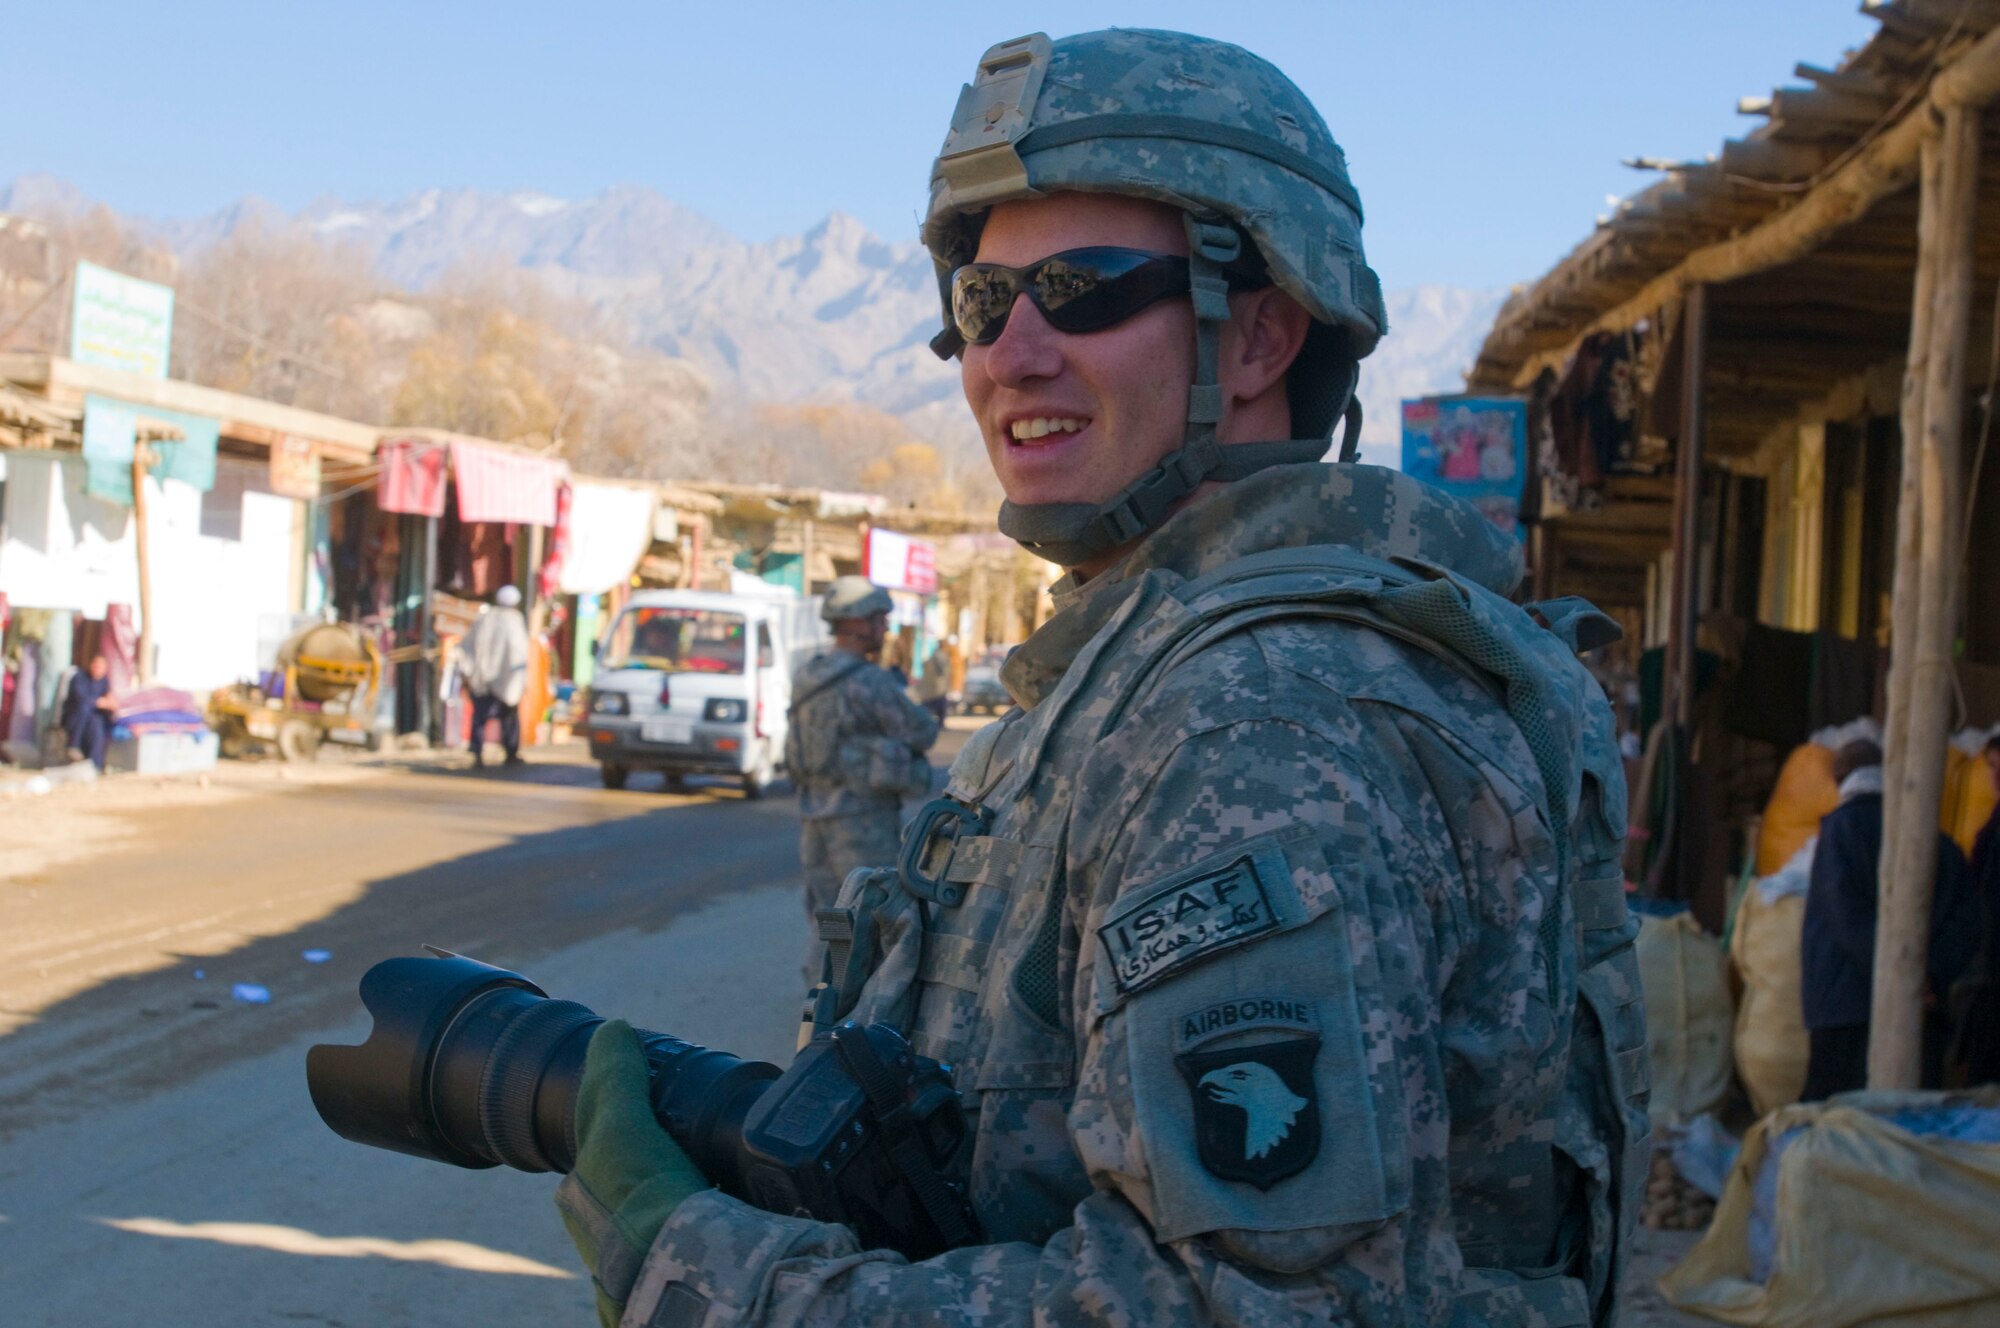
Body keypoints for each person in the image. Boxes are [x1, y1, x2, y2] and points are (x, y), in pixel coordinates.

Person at [554, 29, 1646, 1328]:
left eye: (1079, 289)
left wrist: (698, 1274)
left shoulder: (1260, 718)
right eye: (980, 304)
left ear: (1258, 337)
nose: (1009, 354)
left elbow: (1243, 1311)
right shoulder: (1139, 669)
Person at [1800, 739, 1978, 1100]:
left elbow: (1844, 916)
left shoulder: (1840, 831)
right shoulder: (1941, 843)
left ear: (1840, 780)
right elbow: (1970, 922)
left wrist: (1898, 975)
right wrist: (1929, 976)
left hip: (1845, 1007)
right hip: (1922, 1012)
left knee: (1838, 1119)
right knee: (1910, 1122)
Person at [782, 576, 940, 979]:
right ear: (855, 623)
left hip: (814, 817)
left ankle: (823, 994)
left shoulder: (808, 673)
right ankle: (862, 1007)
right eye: (878, 620)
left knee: (832, 913)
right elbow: (920, 730)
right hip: (862, 822)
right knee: (873, 913)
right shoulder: (868, 680)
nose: (884, 628)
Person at [459, 585, 530, 769]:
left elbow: (469, 645)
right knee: (508, 717)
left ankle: (477, 753)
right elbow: (519, 651)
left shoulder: (485, 618)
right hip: (506, 679)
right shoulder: (515, 620)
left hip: (483, 677)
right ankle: (511, 753)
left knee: (481, 716)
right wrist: (520, 679)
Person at [61, 654, 116, 770]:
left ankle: (95, 765)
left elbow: (109, 701)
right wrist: (98, 702)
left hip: (92, 719)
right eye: (96, 665)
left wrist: (108, 703)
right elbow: (80, 698)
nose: (97, 669)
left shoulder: (104, 683)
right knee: (84, 708)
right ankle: (74, 745)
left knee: (97, 724)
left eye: (101, 667)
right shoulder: (79, 678)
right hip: (75, 717)